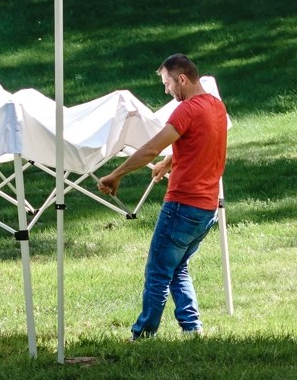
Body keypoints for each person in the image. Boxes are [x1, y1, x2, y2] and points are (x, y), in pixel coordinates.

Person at [96, 55, 228, 340]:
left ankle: (143, 334)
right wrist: (169, 162)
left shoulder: (186, 110)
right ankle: (192, 329)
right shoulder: (216, 107)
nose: (166, 90)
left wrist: (115, 175)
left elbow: (149, 149)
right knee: (178, 267)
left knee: (157, 270)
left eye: (167, 83)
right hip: (207, 208)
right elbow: (199, 142)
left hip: (183, 205)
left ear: (182, 79)